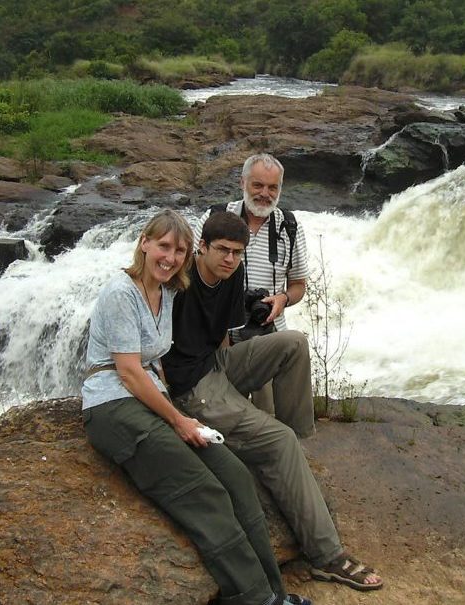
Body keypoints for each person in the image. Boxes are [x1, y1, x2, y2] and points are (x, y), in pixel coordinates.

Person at [81, 209, 311, 605]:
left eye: (179, 250)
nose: (169, 257)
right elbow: (131, 374)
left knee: (235, 476)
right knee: (204, 489)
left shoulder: (168, 291)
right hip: (114, 406)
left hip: (154, 399)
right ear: (145, 243)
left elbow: (201, 322)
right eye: (163, 246)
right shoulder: (121, 292)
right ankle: (254, 598)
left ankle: (276, 590)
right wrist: (180, 420)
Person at [162, 211, 384, 592]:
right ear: (201, 247)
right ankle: (326, 556)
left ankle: (294, 446)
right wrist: (174, 411)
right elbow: (154, 350)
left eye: (237, 252)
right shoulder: (179, 284)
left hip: (217, 365)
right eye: (222, 251)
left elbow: (221, 340)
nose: (230, 259)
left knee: (293, 343)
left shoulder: (232, 277)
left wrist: (232, 380)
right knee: (275, 440)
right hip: (192, 387)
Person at [192, 153, 309, 414]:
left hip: (266, 335)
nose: (264, 193)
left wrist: (283, 299)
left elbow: (299, 284)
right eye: (258, 185)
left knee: (265, 415)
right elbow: (191, 273)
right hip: (216, 339)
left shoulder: (289, 227)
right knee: (221, 414)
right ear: (242, 182)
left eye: (272, 187)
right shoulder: (215, 217)